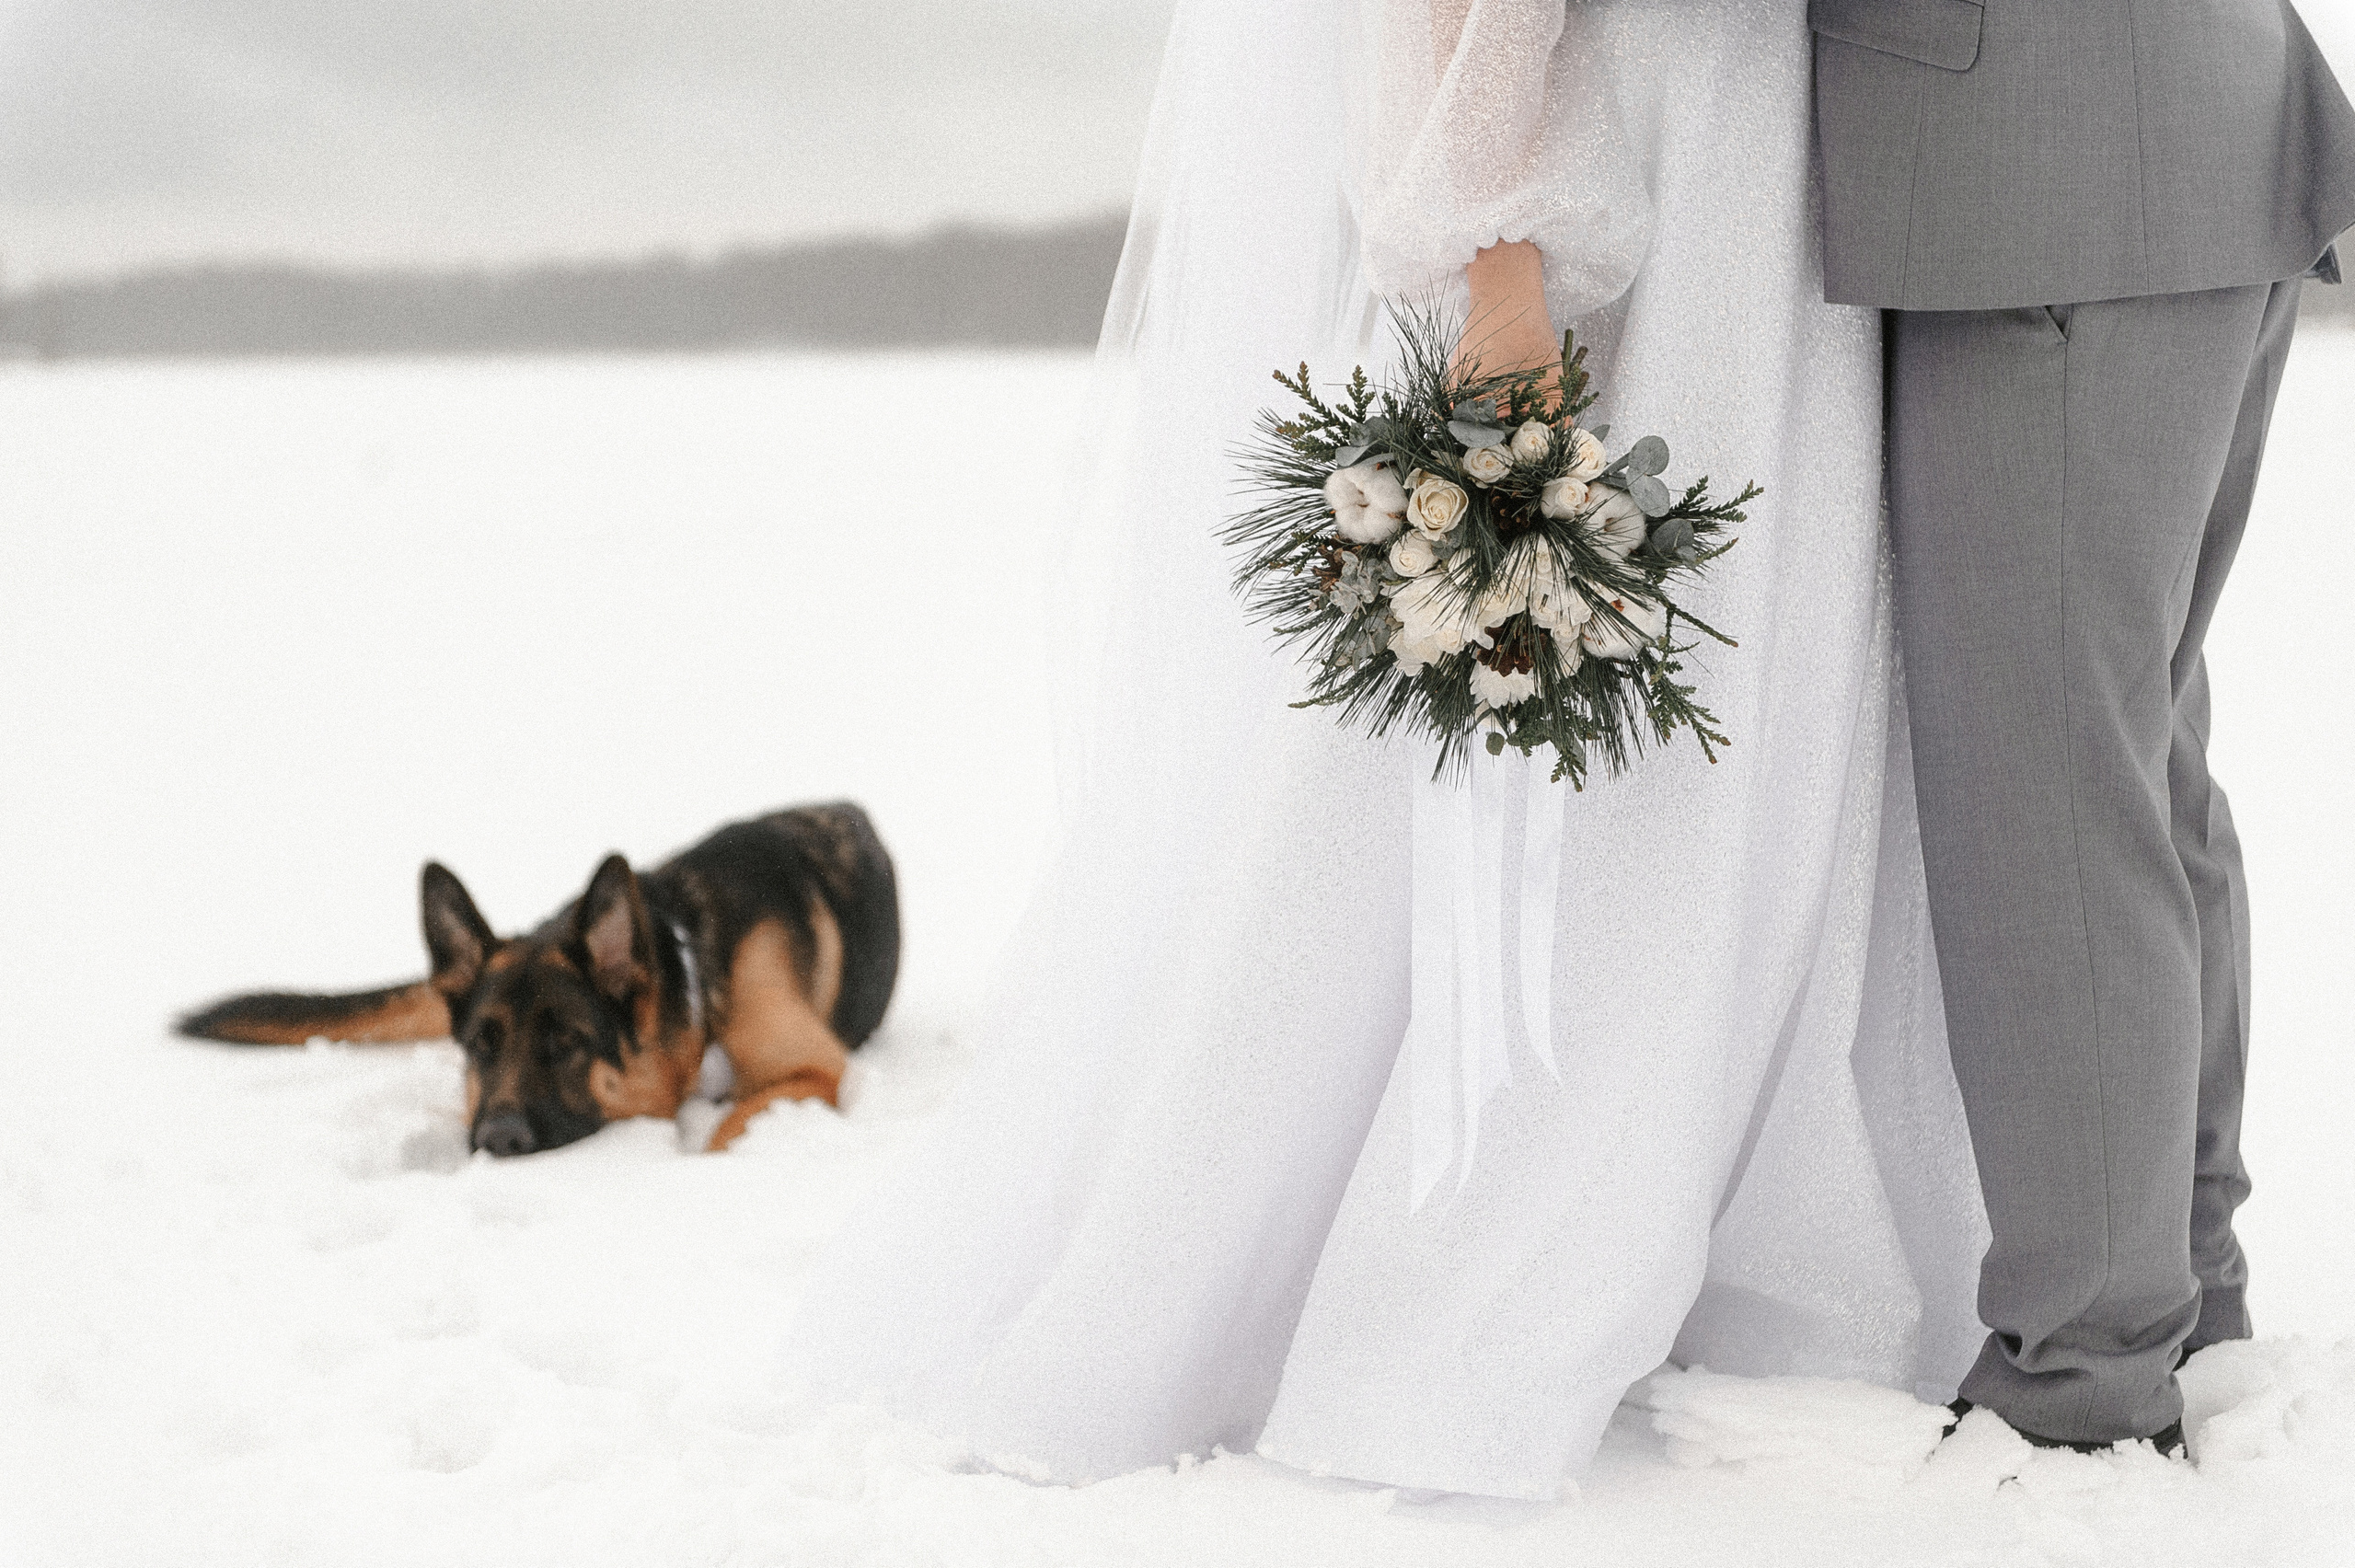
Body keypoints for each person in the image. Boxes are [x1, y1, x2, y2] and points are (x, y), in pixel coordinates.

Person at [790, 0, 1989, 1500]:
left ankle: (1677, 1209)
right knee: (1455, 776)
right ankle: (1353, 1263)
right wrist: (1500, 250)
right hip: (1616, 210)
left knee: (1735, 740)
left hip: (1775, 197)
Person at [1814, 0, 2355, 1451]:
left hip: (2050, 183)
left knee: (2048, 793)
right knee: (2130, 758)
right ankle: (2184, 1279)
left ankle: (2089, 1376)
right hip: (2165, 145)